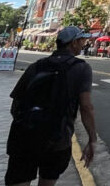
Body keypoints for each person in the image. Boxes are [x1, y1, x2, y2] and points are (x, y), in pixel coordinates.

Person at [6, 26, 97, 186]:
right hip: (56, 137)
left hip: (23, 136)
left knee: (19, 179)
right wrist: (92, 139)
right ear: (73, 43)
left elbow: (16, 104)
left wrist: (30, 124)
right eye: (82, 40)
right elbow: (86, 107)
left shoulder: (36, 66)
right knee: (48, 181)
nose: (84, 43)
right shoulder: (81, 68)